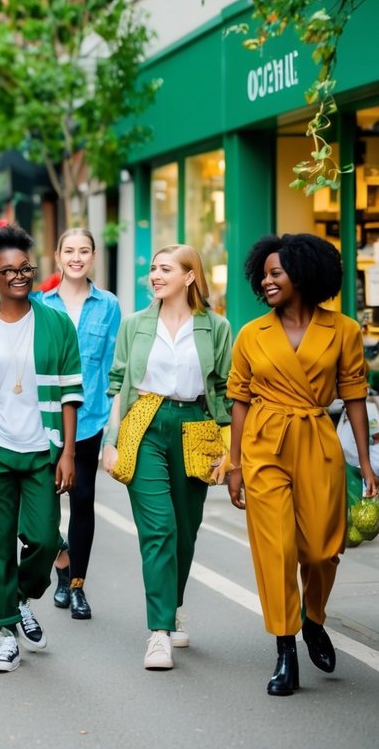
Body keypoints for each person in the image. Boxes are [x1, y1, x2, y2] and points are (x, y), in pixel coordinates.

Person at [226, 234, 377, 695]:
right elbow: (238, 399)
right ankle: (285, 648)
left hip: (318, 440)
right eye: (264, 274)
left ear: (305, 275)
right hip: (264, 444)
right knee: (276, 550)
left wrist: (367, 466)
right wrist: (234, 464)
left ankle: (314, 619)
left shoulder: (344, 330)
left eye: (277, 273)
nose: (267, 281)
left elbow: (354, 397)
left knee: (320, 549)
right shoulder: (253, 334)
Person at [0, 224, 81, 674]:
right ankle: (6, 632)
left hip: (42, 450)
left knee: (45, 539)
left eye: (25, 267)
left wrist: (67, 453)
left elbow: (69, 393)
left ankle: (21, 598)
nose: (19, 276)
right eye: (8, 271)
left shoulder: (56, 323)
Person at [102, 244, 231, 671]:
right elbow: (119, 381)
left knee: (186, 528)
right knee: (158, 529)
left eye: (165, 269)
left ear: (190, 276)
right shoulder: (135, 324)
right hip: (145, 420)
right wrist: (112, 439)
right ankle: (158, 633)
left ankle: (172, 607)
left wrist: (230, 452)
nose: (155, 276)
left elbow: (227, 391)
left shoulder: (216, 327)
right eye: (153, 269)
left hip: (197, 424)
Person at [40, 229, 121, 620]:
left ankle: (77, 587)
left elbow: (115, 368)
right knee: (43, 508)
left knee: (84, 501)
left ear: (93, 258)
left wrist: (114, 428)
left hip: (90, 421)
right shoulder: (39, 304)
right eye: (69, 251)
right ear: (57, 257)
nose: (76, 257)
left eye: (83, 251)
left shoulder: (108, 306)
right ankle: (60, 566)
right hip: (43, 421)